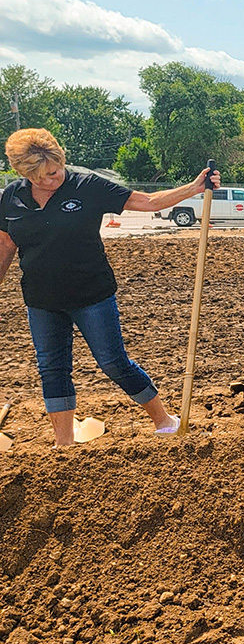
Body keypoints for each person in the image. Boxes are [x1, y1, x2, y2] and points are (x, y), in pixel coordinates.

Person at [0, 128, 220, 447]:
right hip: (41, 299)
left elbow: (146, 201)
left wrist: (195, 188)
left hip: (92, 295)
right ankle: (64, 443)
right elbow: (5, 245)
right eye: (48, 174)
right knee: (52, 369)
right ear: (26, 173)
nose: (56, 176)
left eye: (59, 167)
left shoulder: (86, 186)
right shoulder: (11, 197)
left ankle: (164, 420)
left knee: (114, 362)